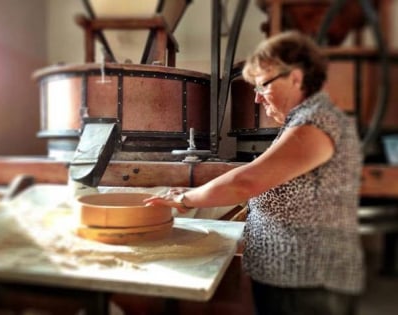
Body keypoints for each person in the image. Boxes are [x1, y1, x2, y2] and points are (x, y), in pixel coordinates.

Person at [144, 30, 364, 315]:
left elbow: (247, 181)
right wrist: (192, 193)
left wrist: (186, 200)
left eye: (262, 86)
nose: (257, 99)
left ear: (295, 78)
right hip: (292, 277)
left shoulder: (316, 122)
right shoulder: (303, 120)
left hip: (308, 280)